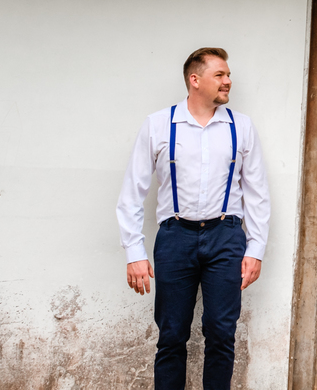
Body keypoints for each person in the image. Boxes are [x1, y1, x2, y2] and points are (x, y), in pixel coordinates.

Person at [116, 47, 271, 390]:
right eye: (220, 75)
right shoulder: (158, 124)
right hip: (174, 237)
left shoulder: (241, 127)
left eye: (228, 75)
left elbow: (257, 193)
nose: (228, 81)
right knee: (171, 335)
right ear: (195, 80)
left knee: (221, 333)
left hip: (226, 236)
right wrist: (134, 253)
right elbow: (131, 194)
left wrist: (256, 248)